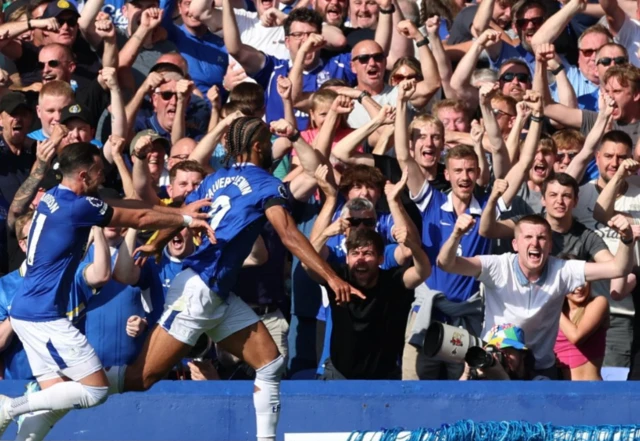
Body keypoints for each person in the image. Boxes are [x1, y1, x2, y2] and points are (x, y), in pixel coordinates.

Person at [101, 117, 361, 441]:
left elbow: (187, 210)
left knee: (269, 362)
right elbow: (289, 234)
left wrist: (157, 241)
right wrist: (331, 277)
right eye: (267, 142)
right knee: (140, 380)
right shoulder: (268, 184)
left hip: (216, 295)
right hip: (198, 291)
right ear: (257, 146)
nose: (270, 148)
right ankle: (62, 388)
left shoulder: (216, 180)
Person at [0, 141, 214, 435]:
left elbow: (127, 206)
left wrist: (176, 208)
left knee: (57, 400)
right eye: (99, 170)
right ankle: (8, 408)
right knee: (95, 391)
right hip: (43, 316)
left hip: (26, 310)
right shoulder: (77, 207)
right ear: (84, 176)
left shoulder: (53, 196)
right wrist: (186, 217)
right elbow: (137, 218)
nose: (104, 175)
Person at [437, 213, 636, 377]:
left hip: (540, 369)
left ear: (550, 246)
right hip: (496, 363)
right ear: (515, 244)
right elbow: (446, 264)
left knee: (544, 424)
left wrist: (626, 239)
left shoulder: (563, 270)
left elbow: (618, 268)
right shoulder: (497, 266)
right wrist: (456, 234)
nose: (535, 243)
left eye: (542, 238)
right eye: (528, 237)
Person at [305, 227, 430, 379]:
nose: (360, 259)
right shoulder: (337, 278)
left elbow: (422, 271)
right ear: (347, 258)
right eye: (355, 253)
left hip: (383, 378)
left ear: (381, 259)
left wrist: (413, 246)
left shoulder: (391, 281)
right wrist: (324, 234)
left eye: (368, 253)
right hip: (340, 375)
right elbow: (307, 265)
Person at [554, 257, 609, 381]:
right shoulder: (558, 314)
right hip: (562, 393)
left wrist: (552, 305)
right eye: (572, 281)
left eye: (583, 280)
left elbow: (576, 337)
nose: (579, 287)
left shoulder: (599, 302)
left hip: (591, 392)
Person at [459, 323, 541, 381]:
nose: (502, 357)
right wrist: (467, 374)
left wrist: (503, 380)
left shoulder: (538, 382)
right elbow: (453, 403)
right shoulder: (487, 380)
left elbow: (521, 405)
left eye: (506, 352)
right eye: (496, 352)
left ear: (523, 353)